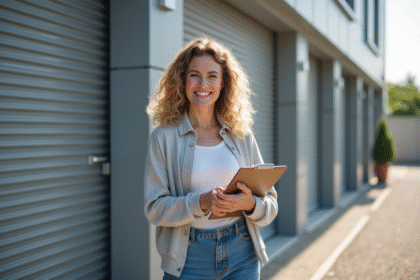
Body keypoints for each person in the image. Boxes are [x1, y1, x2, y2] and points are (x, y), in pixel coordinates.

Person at [144, 38, 278, 279]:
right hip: (189, 260)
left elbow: (270, 204)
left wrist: (248, 204)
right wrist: (201, 202)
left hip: (242, 253)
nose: (203, 84)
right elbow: (154, 209)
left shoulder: (241, 134)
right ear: (182, 80)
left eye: (212, 76)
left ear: (223, 82)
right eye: (194, 75)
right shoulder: (163, 137)